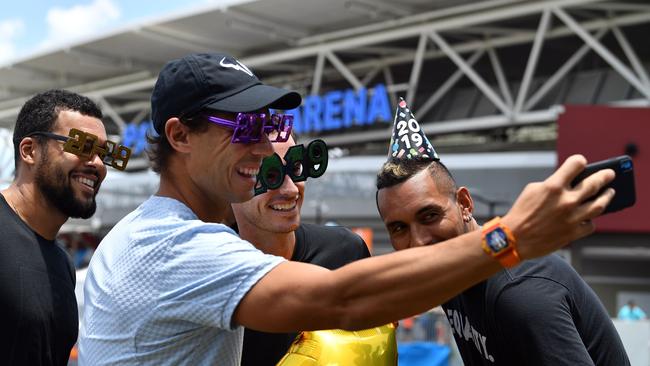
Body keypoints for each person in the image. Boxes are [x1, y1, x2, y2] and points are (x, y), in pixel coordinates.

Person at [79, 52, 616, 365]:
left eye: (271, 129)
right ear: (179, 136)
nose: (267, 149)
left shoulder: (143, 233)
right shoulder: (176, 247)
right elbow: (342, 299)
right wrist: (509, 236)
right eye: (245, 128)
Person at [375, 99, 629, 366]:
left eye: (430, 216)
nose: (417, 242)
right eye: (399, 228)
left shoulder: (519, 294)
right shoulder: (448, 276)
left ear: (464, 204)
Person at [231, 135, 371, 365]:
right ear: (229, 181)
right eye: (271, 174)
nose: (291, 189)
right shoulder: (209, 267)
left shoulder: (345, 252)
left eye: (295, 167)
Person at [0, 89, 110, 366]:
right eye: (83, 146)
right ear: (29, 151)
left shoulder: (61, 264)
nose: (97, 164)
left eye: (104, 154)